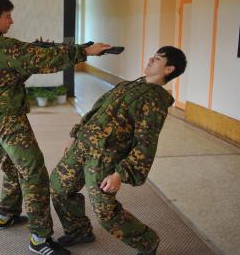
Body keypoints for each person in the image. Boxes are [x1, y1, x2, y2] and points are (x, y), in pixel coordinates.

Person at [0, 0, 110, 255]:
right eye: (8, 16)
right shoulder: (2, 47)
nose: (12, 21)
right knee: (34, 174)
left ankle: (5, 215)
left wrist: (36, 51)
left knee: (11, 168)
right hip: (9, 119)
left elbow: (12, 71)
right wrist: (85, 51)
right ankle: (39, 239)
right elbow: (44, 61)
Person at [49, 46, 187, 255]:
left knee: (105, 212)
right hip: (82, 147)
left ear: (169, 69)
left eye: (158, 58)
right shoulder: (129, 85)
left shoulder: (154, 101)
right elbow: (97, 109)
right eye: (153, 55)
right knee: (58, 187)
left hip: (104, 158)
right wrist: (76, 136)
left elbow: (146, 144)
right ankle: (78, 231)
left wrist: (119, 174)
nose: (151, 59)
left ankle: (148, 242)